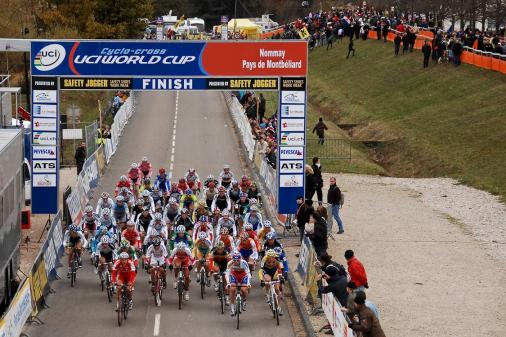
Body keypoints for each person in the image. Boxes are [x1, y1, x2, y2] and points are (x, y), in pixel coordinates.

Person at [226, 252, 251, 316]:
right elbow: (227, 273)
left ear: (240, 259)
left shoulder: (244, 263)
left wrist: (248, 283)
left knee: (244, 289)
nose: (236, 261)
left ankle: (244, 301)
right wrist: (228, 283)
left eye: (238, 260)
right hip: (234, 275)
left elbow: (248, 273)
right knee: (232, 289)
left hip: (243, 275)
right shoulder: (230, 263)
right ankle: (232, 308)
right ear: (232, 259)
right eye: (234, 260)